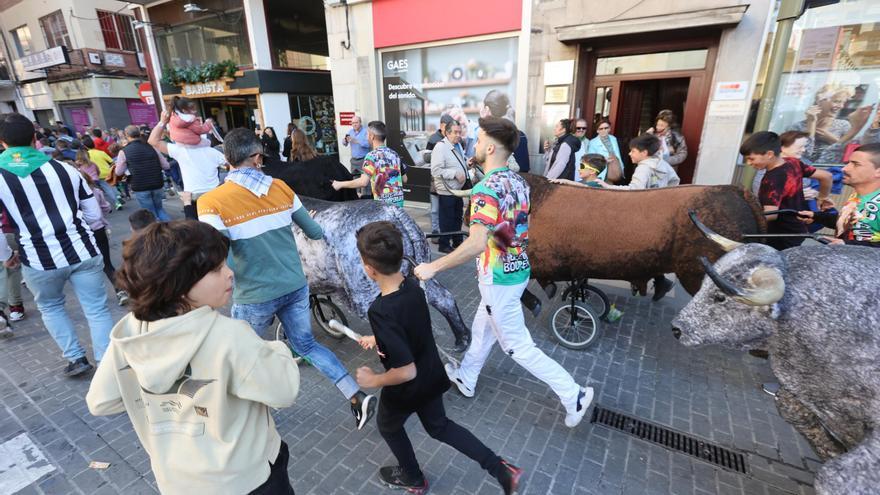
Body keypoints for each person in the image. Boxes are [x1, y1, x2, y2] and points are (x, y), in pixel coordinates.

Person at [86, 220, 300, 495]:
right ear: (178, 284)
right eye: (216, 269)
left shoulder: (131, 333)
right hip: (246, 478)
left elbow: (101, 401)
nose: (230, 273)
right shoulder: (230, 336)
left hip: (177, 480)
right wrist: (279, 350)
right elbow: (284, 391)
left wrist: (157, 404)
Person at [415, 117, 593, 428]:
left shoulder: (486, 188)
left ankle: (573, 394)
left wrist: (433, 266)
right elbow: (507, 230)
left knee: (517, 346)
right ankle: (467, 377)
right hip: (515, 270)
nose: (474, 143)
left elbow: (476, 243)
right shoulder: (518, 181)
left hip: (499, 278)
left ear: (490, 147)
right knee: (483, 328)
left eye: (479, 138)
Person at [197, 128, 376, 429]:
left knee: (243, 354)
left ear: (227, 158)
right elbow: (315, 232)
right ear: (256, 157)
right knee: (306, 346)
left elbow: (218, 254)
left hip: (253, 293)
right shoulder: (280, 187)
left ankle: (246, 418)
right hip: (295, 285)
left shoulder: (211, 202)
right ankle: (355, 396)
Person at [354, 222, 522, 494]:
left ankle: (413, 477)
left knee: (388, 426)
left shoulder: (380, 310)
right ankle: (500, 468)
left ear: (369, 269)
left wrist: (374, 380)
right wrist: (379, 339)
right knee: (440, 427)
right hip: (432, 375)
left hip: (406, 388)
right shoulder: (412, 285)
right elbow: (410, 325)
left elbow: (405, 371)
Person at [0, 113, 114, 376]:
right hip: (82, 250)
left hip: (38, 258)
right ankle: (106, 360)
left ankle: (76, 358)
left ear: (2, 142)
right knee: (96, 308)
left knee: (51, 307)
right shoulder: (66, 170)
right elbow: (94, 215)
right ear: (34, 138)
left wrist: (7, 254)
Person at [599, 134, 680, 300]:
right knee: (648, 249)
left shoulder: (644, 167)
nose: (630, 154)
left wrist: (608, 187)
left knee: (633, 249)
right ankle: (655, 281)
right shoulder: (662, 164)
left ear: (644, 153)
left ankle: (640, 280)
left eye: (633, 151)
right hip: (659, 215)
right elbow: (675, 181)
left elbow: (633, 190)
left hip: (643, 216)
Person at [739, 131, 833, 250]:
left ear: (769, 154)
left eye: (751, 159)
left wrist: (741, 219)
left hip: (780, 235)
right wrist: (823, 198)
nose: (748, 163)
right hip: (798, 229)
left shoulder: (771, 180)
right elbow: (826, 176)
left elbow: (771, 214)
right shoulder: (793, 163)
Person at [798, 142, 880, 246]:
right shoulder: (857, 196)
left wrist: (847, 244)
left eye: (856, 164)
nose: (844, 169)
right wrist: (815, 216)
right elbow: (852, 223)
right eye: (848, 163)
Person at [148, 110, 227, 208]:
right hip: (215, 195)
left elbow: (153, 140)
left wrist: (162, 121)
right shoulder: (213, 152)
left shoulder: (180, 151)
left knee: (196, 223)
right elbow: (234, 164)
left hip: (193, 197)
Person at [78, 171, 128, 306]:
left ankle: (93, 298)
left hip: (80, 233)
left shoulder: (68, 195)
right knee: (107, 263)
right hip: (98, 228)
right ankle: (120, 291)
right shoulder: (95, 191)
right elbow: (106, 207)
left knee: (84, 267)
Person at [789, 84, 873, 164]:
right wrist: (811, 124)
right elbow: (805, 155)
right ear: (819, 101)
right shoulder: (797, 127)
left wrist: (832, 139)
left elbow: (849, 153)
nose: (841, 106)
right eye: (836, 101)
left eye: (843, 102)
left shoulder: (843, 125)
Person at [332, 121, 406, 207]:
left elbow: (363, 182)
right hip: (398, 203)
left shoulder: (371, 156)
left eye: (367, 134)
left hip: (383, 206)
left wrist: (340, 184)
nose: (366, 137)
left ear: (372, 136)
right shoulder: (394, 154)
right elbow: (404, 179)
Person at [115, 126, 171, 222]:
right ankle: (170, 231)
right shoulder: (152, 147)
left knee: (150, 214)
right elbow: (166, 166)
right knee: (160, 209)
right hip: (157, 183)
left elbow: (118, 172)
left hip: (140, 186)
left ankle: (157, 234)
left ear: (126, 135)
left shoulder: (124, 152)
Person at [430, 121, 469, 253]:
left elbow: (458, 162)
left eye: (460, 132)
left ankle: (458, 242)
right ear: (447, 133)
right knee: (446, 219)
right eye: (456, 132)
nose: (459, 135)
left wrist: (467, 164)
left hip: (457, 190)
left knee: (457, 217)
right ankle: (444, 244)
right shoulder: (440, 147)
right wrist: (455, 173)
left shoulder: (457, 144)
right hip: (447, 190)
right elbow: (435, 170)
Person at [480, 90, 529, 173]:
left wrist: (483, 121)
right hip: (520, 181)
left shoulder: (491, 136)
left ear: (487, 109)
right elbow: (525, 167)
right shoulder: (521, 135)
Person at [83, 135, 122, 210]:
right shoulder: (100, 152)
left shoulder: (86, 156)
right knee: (112, 186)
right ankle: (118, 196)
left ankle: (117, 202)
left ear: (85, 146)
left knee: (107, 189)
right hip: (108, 172)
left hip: (98, 174)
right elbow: (111, 161)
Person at [0, 211, 24, 322]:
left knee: (10, 267)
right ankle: (15, 306)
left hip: (9, 231)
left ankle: (13, 307)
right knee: (12, 267)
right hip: (12, 230)